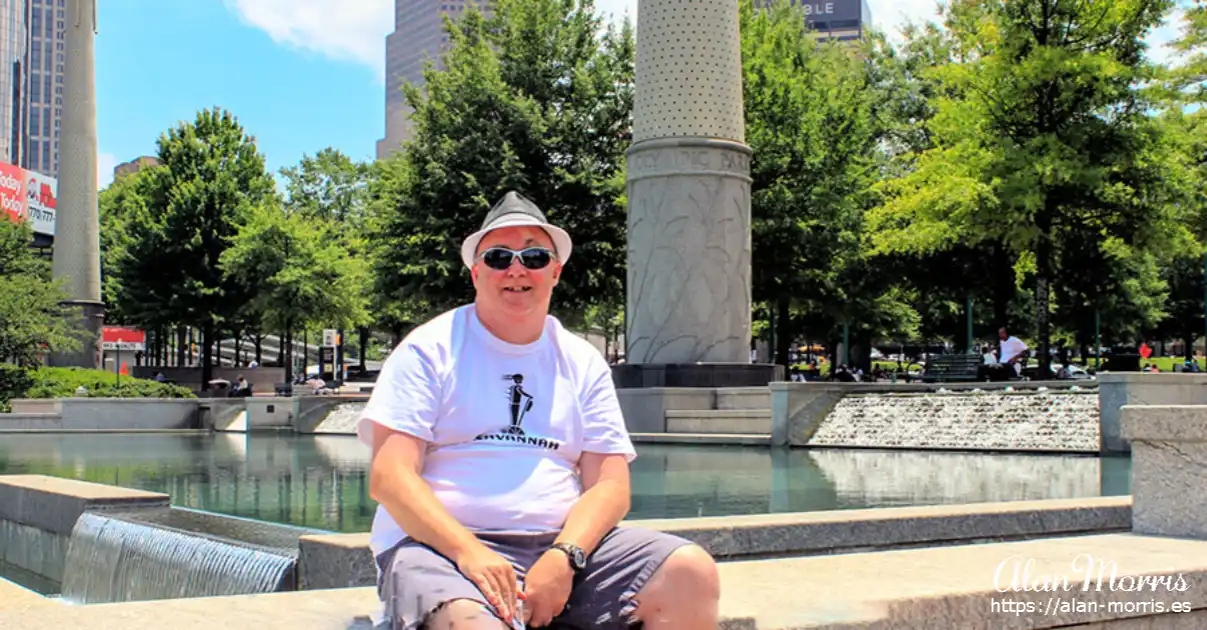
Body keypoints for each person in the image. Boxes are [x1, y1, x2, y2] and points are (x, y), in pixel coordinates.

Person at [356, 191, 720, 630]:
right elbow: (390, 478)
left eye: (533, 255)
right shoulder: (427, 349)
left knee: (689, 573)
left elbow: (609, 486)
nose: (516, 269)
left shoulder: (582, 360)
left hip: (559, 548)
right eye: (497, 257)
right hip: (439, 550)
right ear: (475, 272)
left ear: (555, 271)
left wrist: (566, 555)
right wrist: (470, 553)